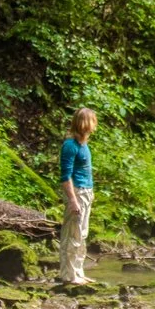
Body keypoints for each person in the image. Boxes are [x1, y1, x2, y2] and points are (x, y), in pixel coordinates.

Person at [58, 108, 97, 286]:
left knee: (82, 234)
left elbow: (86, 173)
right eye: (92, 122)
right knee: (72, 235)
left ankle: (78, 271)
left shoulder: (84, 145)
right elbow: (65, 177)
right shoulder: (70, 145)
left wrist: (91, 193)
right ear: (85, 123)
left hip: (86, 192)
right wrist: (73, 200)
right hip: (77, 192)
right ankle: (68, 275)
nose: (94, 126)